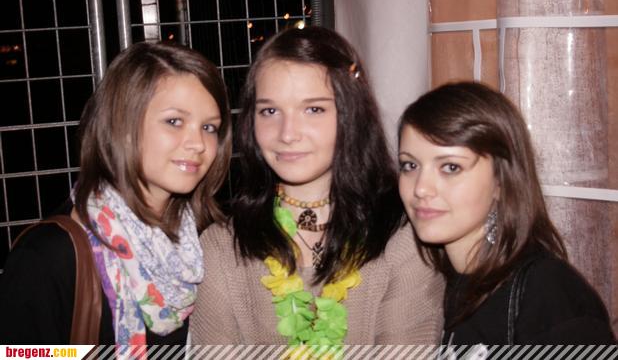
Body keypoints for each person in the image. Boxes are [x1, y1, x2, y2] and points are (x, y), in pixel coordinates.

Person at [190, 26, 443, 347]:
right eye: (270, 111)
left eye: (313, 109)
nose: (287, 133)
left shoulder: (404, 239)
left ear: (351, 114)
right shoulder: (222, 247)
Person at [0, 42, 232, 347]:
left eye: (209, 127)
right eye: (174, 121)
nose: (198, 143)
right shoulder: (49, 257)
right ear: (122, 125)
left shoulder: (202, 242)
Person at [397, 82, 616, 349]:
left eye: (451, 167)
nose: (421, 188)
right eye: (409, 165)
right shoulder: (433, 284)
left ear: (501, 180)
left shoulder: (547, 295)